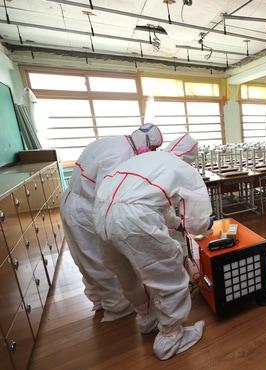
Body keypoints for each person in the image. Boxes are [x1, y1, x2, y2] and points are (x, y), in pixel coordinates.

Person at [92, 139, 212, 361]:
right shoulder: (184, 169)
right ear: (190, 157)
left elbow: (157, 203)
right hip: (133, 218)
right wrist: (204, 225)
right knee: (168, 271)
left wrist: (177, 224)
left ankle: (147, 318)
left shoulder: (144, 160)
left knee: (127, 273)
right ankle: (171, 337)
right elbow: (198, 221)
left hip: (101, 214)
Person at [60, 123, 163, 321]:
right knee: (101, 259)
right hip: (87, 209)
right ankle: (117, 306)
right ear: (147, 144)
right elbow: (110, 196)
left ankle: (100, 300)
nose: (152, 153)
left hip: (74, 199)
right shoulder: (122, 157)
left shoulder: (112, 141)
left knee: (85, 258)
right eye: (154, 149)